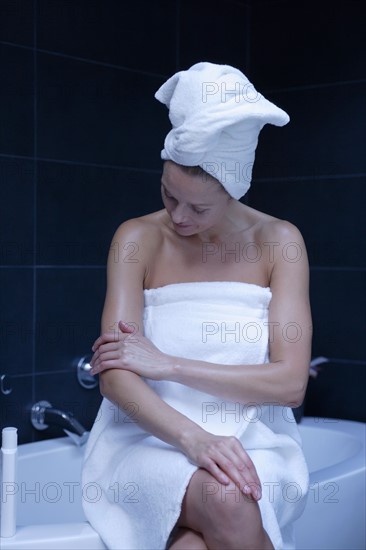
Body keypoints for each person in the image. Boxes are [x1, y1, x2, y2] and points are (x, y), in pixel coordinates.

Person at [82, 62, 311, 550]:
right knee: (228, 497)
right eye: (169, 195)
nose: (179, 217)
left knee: (197, 538)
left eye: (198, 208)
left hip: (257, 442)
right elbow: (116, 375)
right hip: (147, 441)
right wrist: (193, 439)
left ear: (234, 190)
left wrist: (167, 364)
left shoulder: (279, 242)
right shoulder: (137, 238)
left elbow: (289, 385)